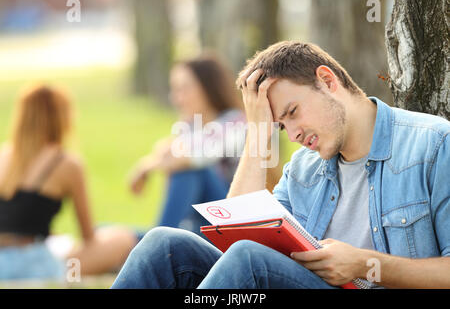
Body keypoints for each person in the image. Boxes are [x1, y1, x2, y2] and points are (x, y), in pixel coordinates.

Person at [111, 41, 450, 289]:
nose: (294, 134)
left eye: (291, 113)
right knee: (164, 244)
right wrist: (258, 133)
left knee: (249, 259)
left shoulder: (433, 144)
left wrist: (364, 264)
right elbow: (234, 238)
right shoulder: (304, 168)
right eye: (281, 126)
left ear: (328, 81)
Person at [0, 84, 137, 281]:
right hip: (34, 265)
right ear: (60, 118)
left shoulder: (4, 156)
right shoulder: (66, 163)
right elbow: (88, 236)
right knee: (122, 239)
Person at [128, 54, 249, 235]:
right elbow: (169, 152)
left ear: (208, 87)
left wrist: (145, 166)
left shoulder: (237, 123)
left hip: (234, 222)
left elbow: (196, 156)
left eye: (184, 89)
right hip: (197, 224)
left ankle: (158, 238)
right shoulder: (189, 126)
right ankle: (159, 237)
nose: (177, 98)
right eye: (174, 90)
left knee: (192, 168)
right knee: (107, 236)